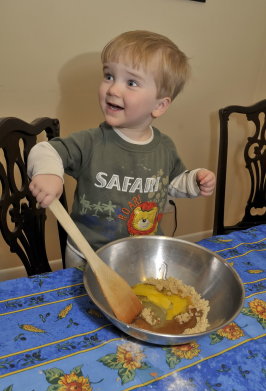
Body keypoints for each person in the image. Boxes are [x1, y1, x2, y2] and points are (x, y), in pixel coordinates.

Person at [28, 30, 216, 268]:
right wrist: (49, 173)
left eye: (131, 82)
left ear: (159, 105)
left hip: (142, 253)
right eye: (109, 76)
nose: (113, 89)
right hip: (88, 255)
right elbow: (45, 151)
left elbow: (171, 183)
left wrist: (194, 182)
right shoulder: (92, 141)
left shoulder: (165, 147)